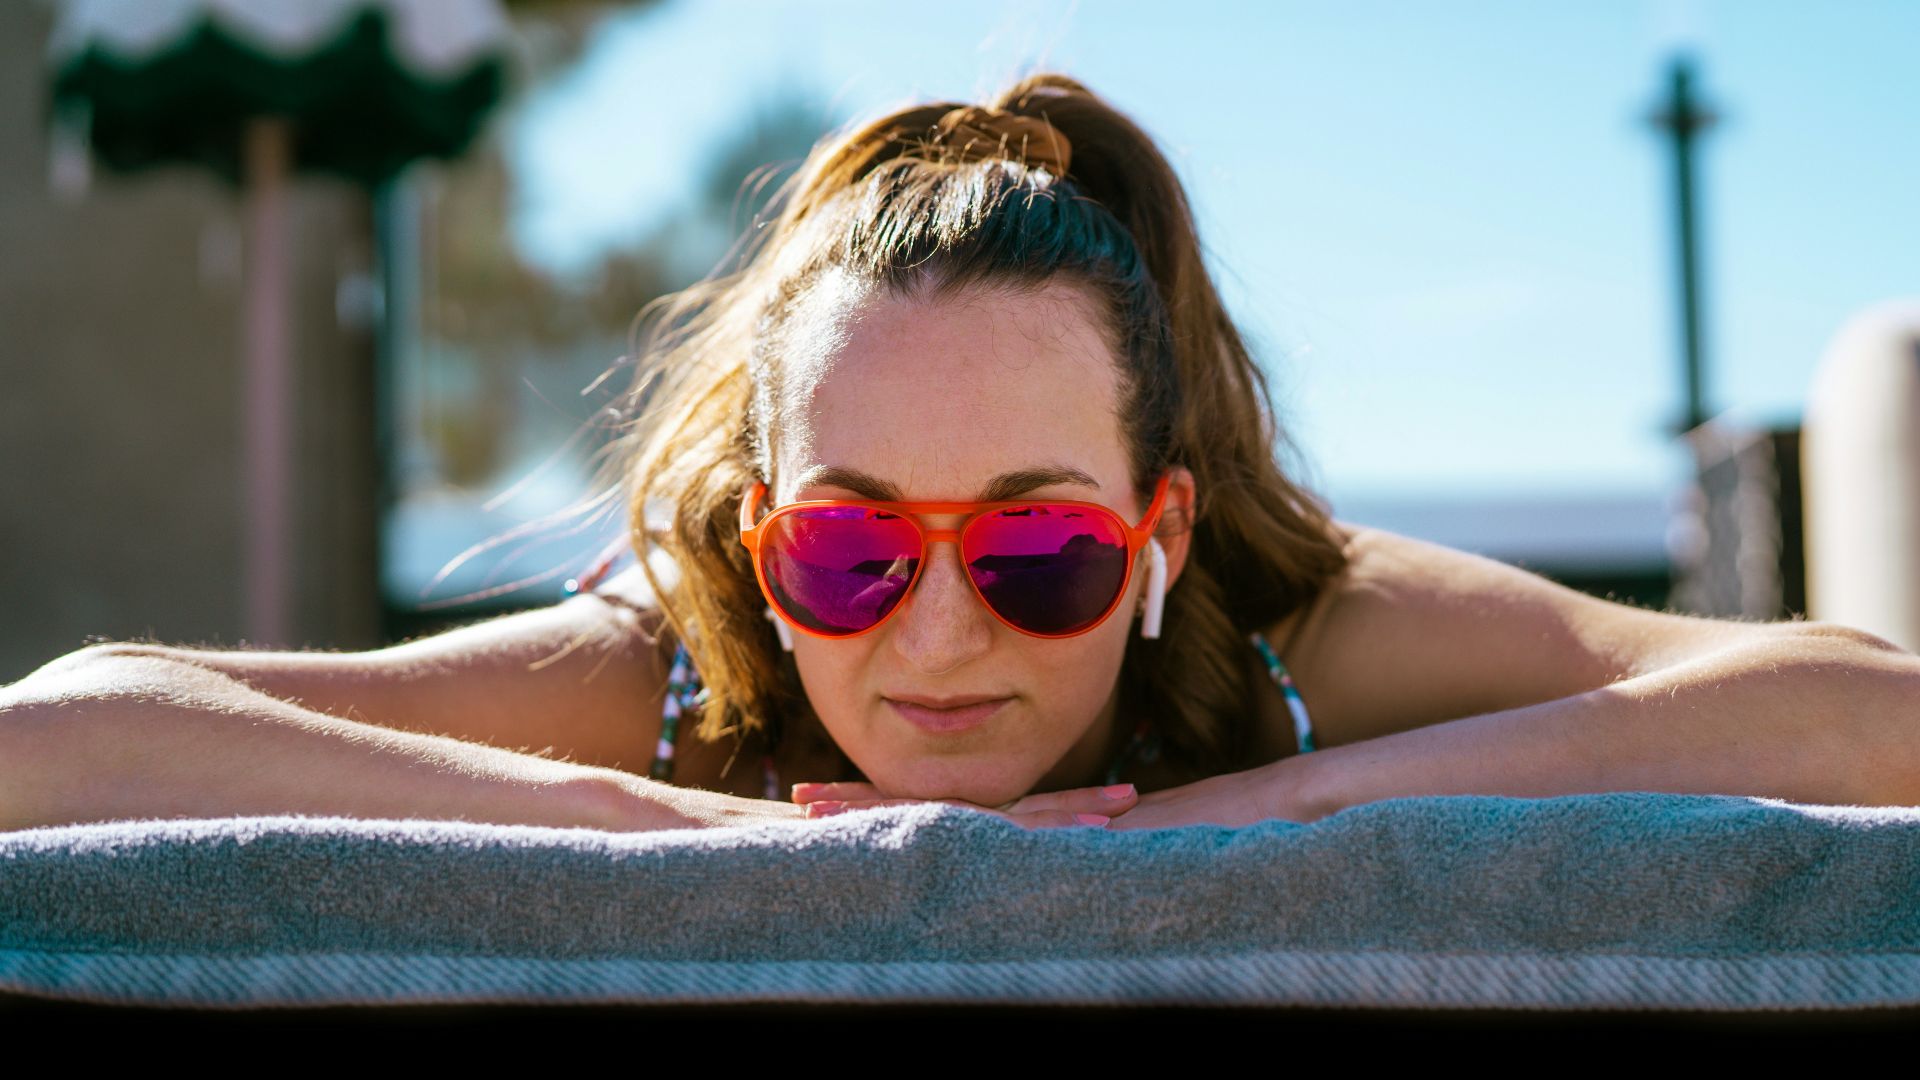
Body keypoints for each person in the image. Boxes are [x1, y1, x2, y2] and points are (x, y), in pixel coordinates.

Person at [5, 74, 1915, 836]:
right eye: (849, 553)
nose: (932, 641)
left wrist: (1231, 821)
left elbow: (1867, 708)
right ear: (761, 549)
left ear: (1156, 535)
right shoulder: (681, 672)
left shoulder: (1271, 629)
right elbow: (70, 728)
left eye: (1038, 557)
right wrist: (699, 842)